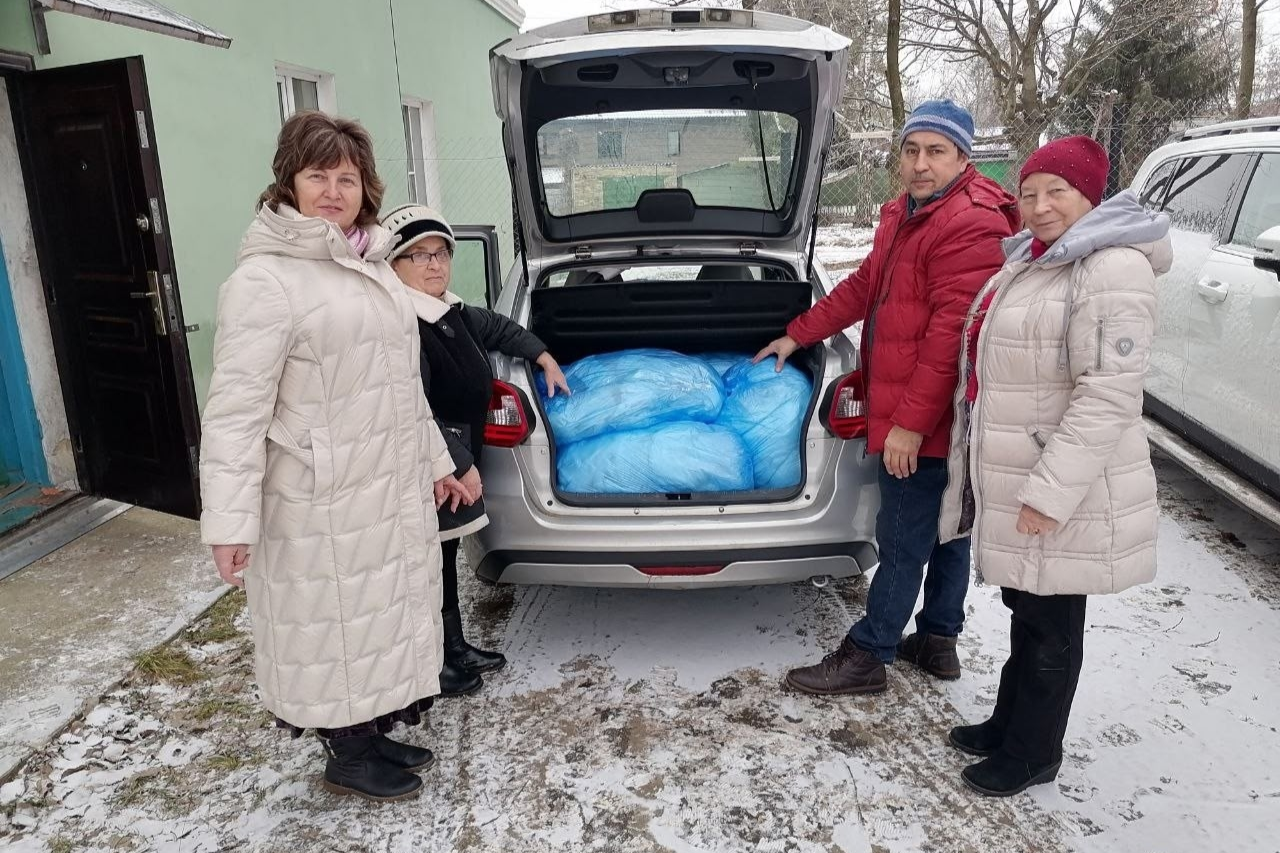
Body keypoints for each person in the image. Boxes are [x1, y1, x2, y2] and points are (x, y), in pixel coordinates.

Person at [200, 112, 470, 803]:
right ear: (289, 182)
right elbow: (236, 411)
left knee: (374, 620)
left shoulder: (371, 266)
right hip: (316, 494)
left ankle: (369, 732)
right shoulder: (266, 281)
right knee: (336, 626)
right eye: (317, 174)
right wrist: (228, 521)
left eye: (345, 177)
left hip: (381, 483)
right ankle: (346, 753)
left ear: (365, 187)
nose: (332, 189)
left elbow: (401, 386)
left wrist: (437, 459)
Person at [756, 100, 1019, 695]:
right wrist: (798, 333)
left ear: (963, 157)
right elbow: (862, 286)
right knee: (947, 528)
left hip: (933, 415)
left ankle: (869, 654)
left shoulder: (970, 222)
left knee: (904, 536)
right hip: (927, 412)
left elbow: (952, 338)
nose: (920, 164)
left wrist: (906, 424)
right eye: (911, 150)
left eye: (936, 151)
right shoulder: (908, 213)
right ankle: (937, 639)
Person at [938, 136, 1168, 796]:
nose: (1038, 207)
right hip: (1027, 471)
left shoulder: (1110, 268)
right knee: (1027, 606)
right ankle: (1010, 723)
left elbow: (1107, 393)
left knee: (1052, 625)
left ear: (1090, 197)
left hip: (1065, 484)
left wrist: (1050, 491)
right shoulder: (1040, 261)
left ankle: (1034, 751)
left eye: (1056, 193)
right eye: (1030, 193)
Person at [380, 204, 571, 697]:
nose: (434, 265)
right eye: (417, 256)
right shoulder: (401, 324)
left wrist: (543, 356)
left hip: (457, 457)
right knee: (426, 562)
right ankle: (436, 662)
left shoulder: (453, 311)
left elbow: (502, 330)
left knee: (443, 556)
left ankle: (453, 647)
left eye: (440, 254)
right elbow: (410, 406)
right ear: (392, 265)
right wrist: (457, 465)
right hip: (430, 462)